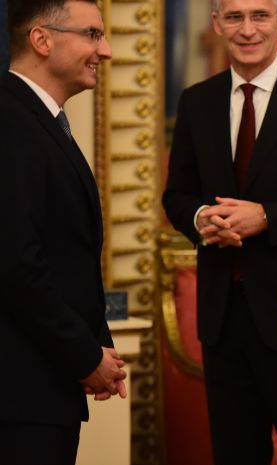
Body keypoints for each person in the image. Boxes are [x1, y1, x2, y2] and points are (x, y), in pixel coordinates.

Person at [161, 0, 277, 463]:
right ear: (217, 23)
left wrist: (268, 217)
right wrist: (201, 219)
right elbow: (176, 195)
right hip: (222, 320)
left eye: (259, 15)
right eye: (234, 17)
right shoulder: (195, 102)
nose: (247, 29)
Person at [0, 1, 127, 464]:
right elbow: (15, 263)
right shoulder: (11, 121)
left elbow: (65, 257)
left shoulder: (40, 120)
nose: (106, 50)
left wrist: (99, 347)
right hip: (18, 395)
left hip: (42, 386)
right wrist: (84, 355)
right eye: (92, 34)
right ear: (42, 40)